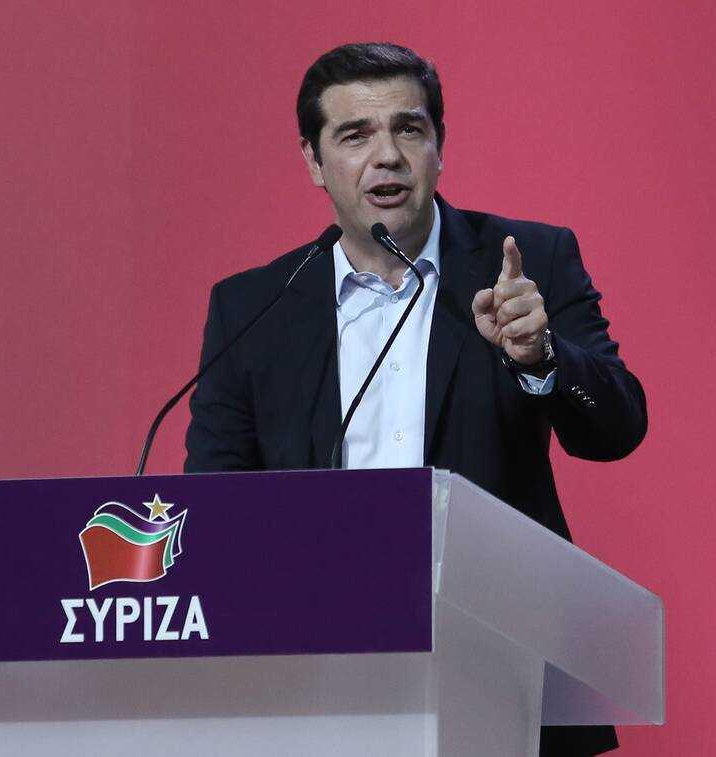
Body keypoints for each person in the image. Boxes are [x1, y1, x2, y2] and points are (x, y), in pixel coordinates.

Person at [185, 42, 646, 756]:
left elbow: (617, 427)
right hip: (319, 690)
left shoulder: (527, 265)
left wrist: (543, 355)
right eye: (355, 135)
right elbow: (216, 504)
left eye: (409, 129)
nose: (388, 156)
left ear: (438, 146)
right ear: (313, 162)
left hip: (499, 678)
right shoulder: (254, 308)